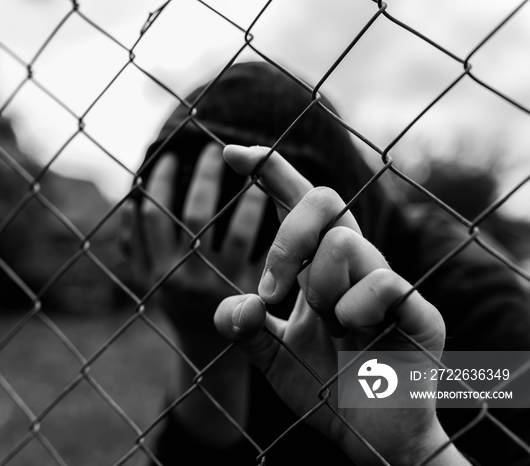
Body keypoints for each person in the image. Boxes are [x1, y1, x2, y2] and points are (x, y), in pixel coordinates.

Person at [122, 62, 530, 465]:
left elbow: (494, 397)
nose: (210, 250)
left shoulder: (465, 287)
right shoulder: (215, 297)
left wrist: (416, 445)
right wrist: (207, 352)